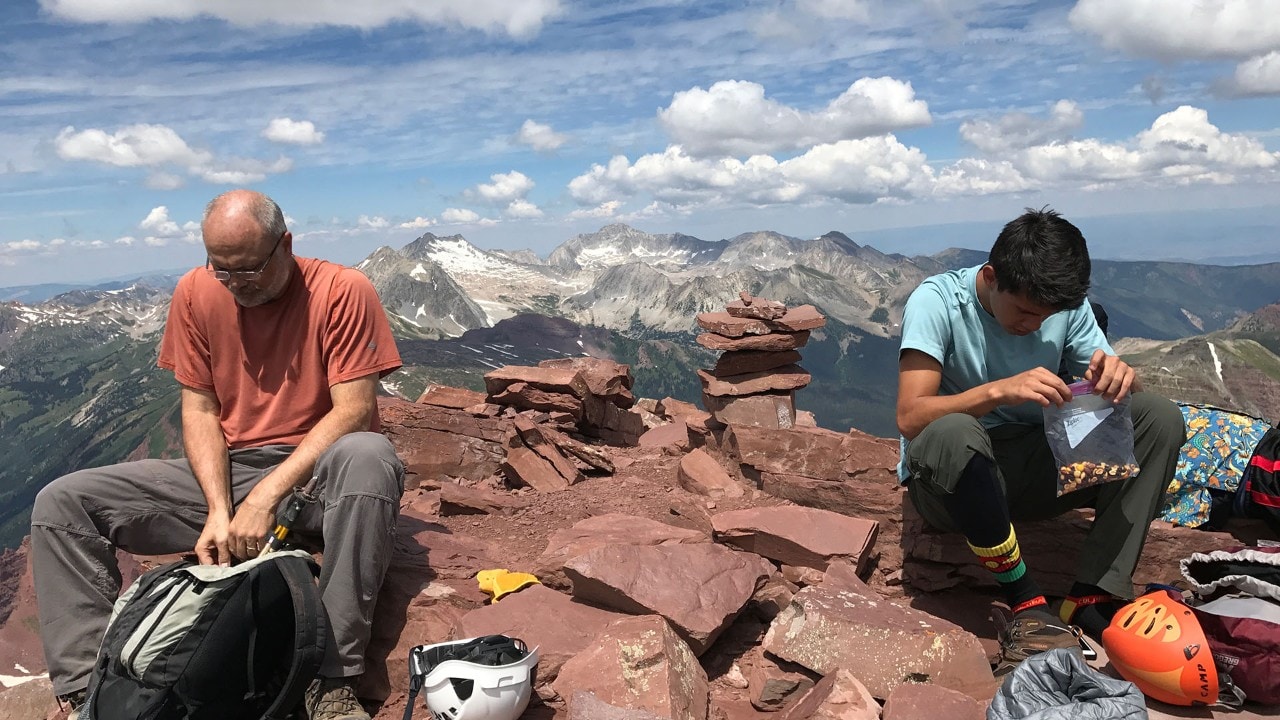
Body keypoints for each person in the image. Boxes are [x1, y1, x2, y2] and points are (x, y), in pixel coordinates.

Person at [30, 189, 405, 720]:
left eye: (248, 269)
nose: (235, 284)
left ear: (285, 245)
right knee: (62, 504)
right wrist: (218, 509)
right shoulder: (195, 292)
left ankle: (331, 681)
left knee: (370, 455)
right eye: (221, 269)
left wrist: (268, 498)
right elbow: (201, 409)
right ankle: (92, 692)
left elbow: (352, 411)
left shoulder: (344, 290)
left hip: (324, 473)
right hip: (236, 470)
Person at [896, 207, 1184, 671]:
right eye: (1025, 311)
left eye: (1047, 315)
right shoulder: (936, 301)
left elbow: (1115, 401)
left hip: (1033, 468)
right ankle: (1026, 604)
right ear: (991, 277)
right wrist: (997, 391)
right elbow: (910, 416)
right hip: (952, 483)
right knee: (956, 431)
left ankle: (1094, 594)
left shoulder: (1067, 310)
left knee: (1159, 417)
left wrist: (1120, 377)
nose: (1034, 324)